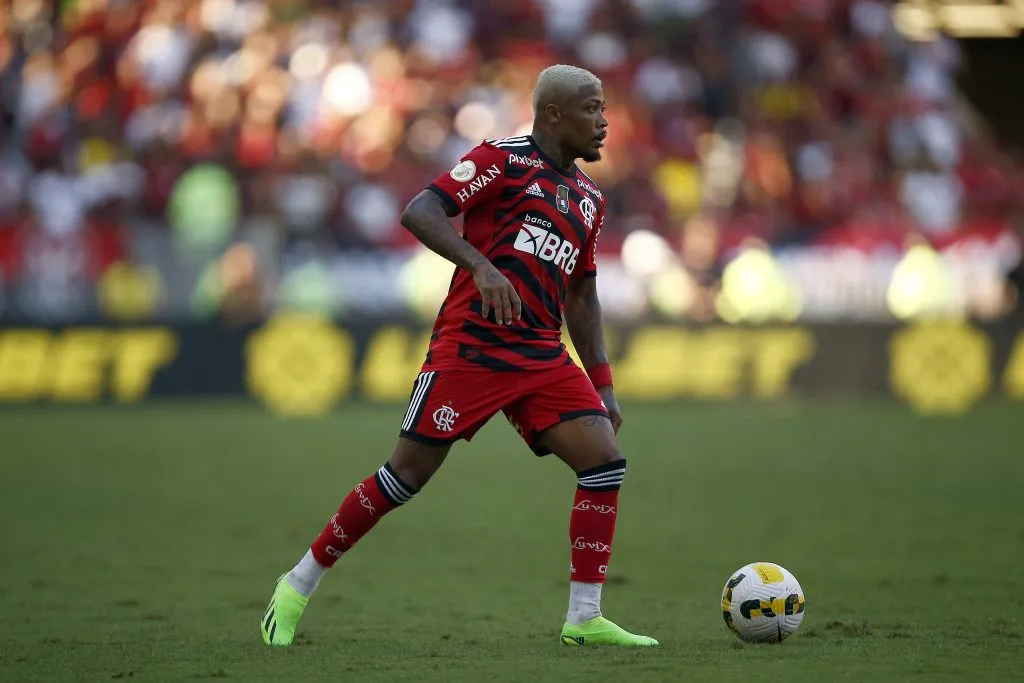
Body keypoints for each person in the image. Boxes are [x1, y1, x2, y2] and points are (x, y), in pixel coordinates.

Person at [260, 64, 658, 648]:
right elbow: (420, 210)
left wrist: (602, 384)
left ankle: (584, 618)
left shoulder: (590, 199)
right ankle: (297, 583)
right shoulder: (502, 160)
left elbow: (581, 294)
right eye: (591, 109)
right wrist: (480, 265)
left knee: (603, 463)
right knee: (404, 477)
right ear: (553, 115)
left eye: (603, 109)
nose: (604, 122)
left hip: (540, 354)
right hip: (471, 346)